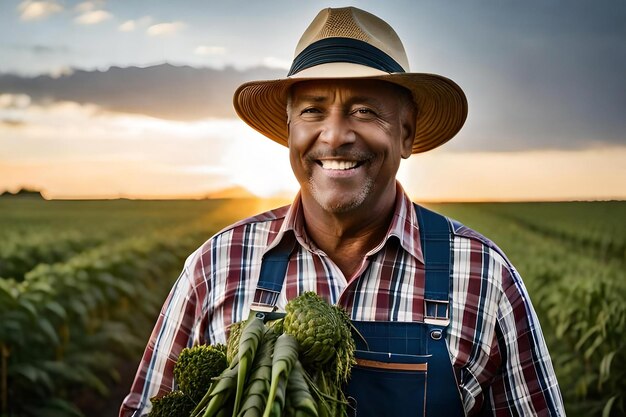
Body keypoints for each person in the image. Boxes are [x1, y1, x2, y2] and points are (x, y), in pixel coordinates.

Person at [120, 7, 565, 417]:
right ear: (289, 133)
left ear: (406, 135)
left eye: (364, 111)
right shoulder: (216, 264)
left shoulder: (485, 277)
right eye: (313, 111)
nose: (334, 137)